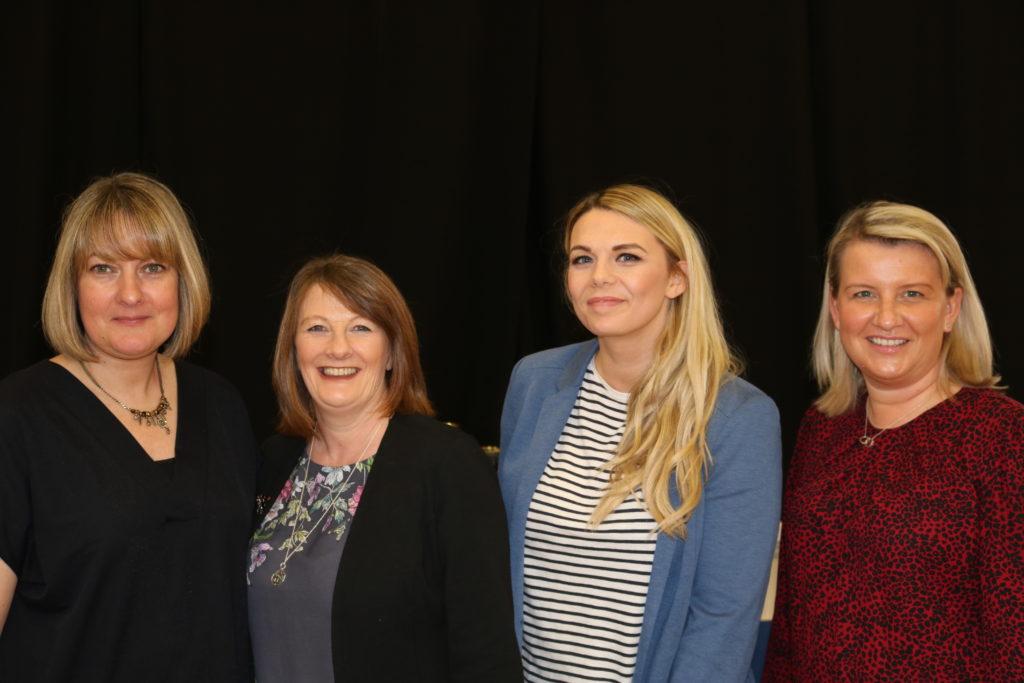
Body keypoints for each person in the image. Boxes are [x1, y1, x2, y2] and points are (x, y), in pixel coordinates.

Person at [499, 184, 782, 682]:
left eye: (626, 257)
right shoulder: (535, 382)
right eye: (582, 259)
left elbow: (722, 619)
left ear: (676, 278)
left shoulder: (737, 416)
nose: (599, 276)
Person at [0, 173, 257, 681]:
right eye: (104, 269)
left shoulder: (221, 404)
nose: (131, 294)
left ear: (183, 279)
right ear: (71, 286)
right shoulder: (17, 415)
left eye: (153, 267)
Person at [763, 201, 1024, 681]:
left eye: (911, 294)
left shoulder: (1002, 435)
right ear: (836, 309)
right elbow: (791, 620)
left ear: (950, 309)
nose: (886, 318)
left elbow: (1015, 636)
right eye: (864, 293)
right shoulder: (821, 428)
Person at [248, 254, 521, 682]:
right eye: (317, 328)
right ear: (293, 349)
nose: (337, 347)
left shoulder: (447, 465)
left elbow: (487, 655)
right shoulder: (273, 460)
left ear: (393, 350)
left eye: (361, 327)